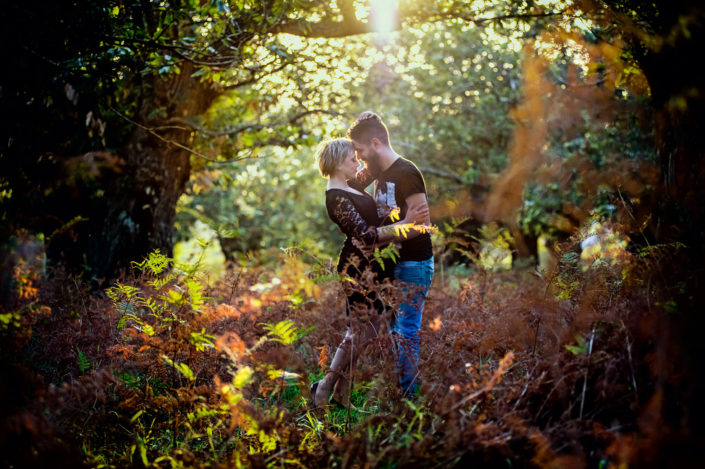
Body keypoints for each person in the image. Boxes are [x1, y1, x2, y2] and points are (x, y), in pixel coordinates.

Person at [311, 138, 428, 408]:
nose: (358, 162)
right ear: (339, 163)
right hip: (356, 269)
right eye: (353, 159)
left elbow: (379, 166)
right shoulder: (336, 197)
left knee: (366, 331)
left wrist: (371, 136)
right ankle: (324, 389)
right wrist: (409, 222)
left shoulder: (351, 185)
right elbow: (364, 234)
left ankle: (341, 394)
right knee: (359, 332)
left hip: (374, 266)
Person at [347, 112, 435, 396]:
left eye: (360, 151)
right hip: (391, 262)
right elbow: (345, 185)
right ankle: (402, 391)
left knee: (406, 331)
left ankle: (408, 401)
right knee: (394, 329)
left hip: (414, 263)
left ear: (375, 143)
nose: (358, 158)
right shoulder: (376, 171)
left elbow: (420, 225)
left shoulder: (407, 173)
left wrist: (376, 237)